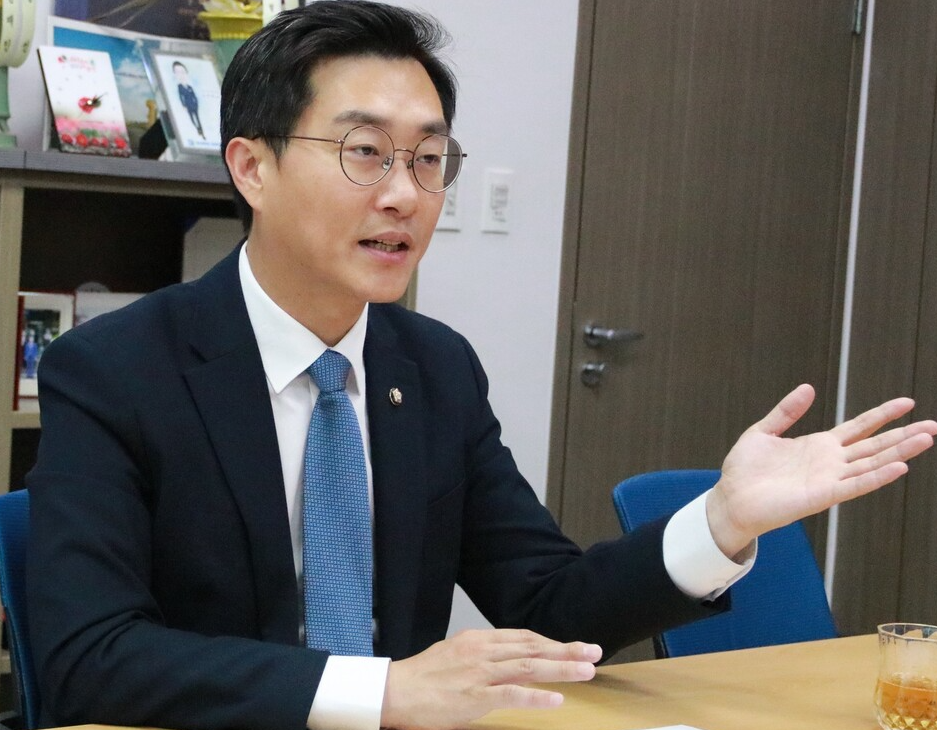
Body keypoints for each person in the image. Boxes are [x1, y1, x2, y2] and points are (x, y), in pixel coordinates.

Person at [26, 3, 936, 730]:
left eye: (429, 159)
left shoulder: (433, 367)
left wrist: (723, 520)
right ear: (252, 167)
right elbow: (90, 655)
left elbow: (548, 605)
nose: (404, 194)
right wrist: (384, 692)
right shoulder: (114, 370)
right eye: (364, 153)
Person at [173, 61, 205, 139]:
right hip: (188, 105)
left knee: (197, 118)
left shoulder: (190, 87)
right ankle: (197, 129)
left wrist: (196, 103)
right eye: (178, 72)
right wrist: (184, 105)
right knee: (192, 118)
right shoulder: (179, 87)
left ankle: (201, 131)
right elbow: (181, 97)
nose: (181, 75)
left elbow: (194, 96)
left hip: (194, 105)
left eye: (183, 72)